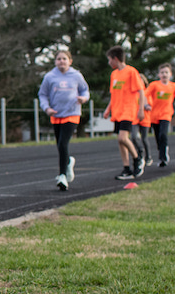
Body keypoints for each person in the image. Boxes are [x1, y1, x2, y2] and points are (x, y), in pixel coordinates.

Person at [37, 49, 90, 191]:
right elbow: (42, 94)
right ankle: (68, 162)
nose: (62, 61)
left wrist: (83, 98)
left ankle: (62, 176)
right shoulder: (49, 77)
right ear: (55, 61)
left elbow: (85, 90)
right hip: (56, 114)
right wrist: (46, 108)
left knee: (62, 143)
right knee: (60, 145)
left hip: (72, 113)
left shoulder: (76, 75)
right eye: (59, 59)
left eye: (64, 59)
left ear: (70, 61)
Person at [102, 46, 146, 180]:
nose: (109, 63)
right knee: (120, 141)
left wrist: (141, 109)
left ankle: (138, 158)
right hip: (117, 111)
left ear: (115, 59)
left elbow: (141, 91)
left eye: (109, 60)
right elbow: (113, 94)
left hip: (128, 109)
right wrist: (108, 109)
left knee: (123, 138)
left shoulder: (131, 72)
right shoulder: (114, 74)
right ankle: (126, 168)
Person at [145, 63, 175, 167]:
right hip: (154, 115)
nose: (164, 74)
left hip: (166, 114)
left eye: (166, 72)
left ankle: (163, 157)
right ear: (159, 75)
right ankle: (162, 150)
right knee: (158, 137)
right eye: (162, 72)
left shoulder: (173, 86)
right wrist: (146, 104)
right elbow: (145, 94)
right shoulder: (154, 85)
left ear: (170, 74)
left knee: (163, 134)